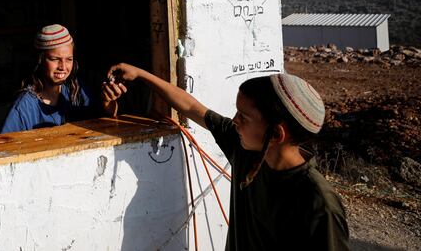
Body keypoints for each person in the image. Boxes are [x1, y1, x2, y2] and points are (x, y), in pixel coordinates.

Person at [107, 63, 349, 250]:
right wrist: (140, 74)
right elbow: (193, 108)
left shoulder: (319, 204)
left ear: (276, 134)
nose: (234, 121)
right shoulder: (245, 149)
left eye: (243, 116)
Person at [0, 24, 125, 133]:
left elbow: (104, 123)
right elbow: (6, 149)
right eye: (55, 59)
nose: (63, 67)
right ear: (39, 61)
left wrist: (107, 102)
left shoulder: (76, 92)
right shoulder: (25, 106)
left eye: (69, 59)